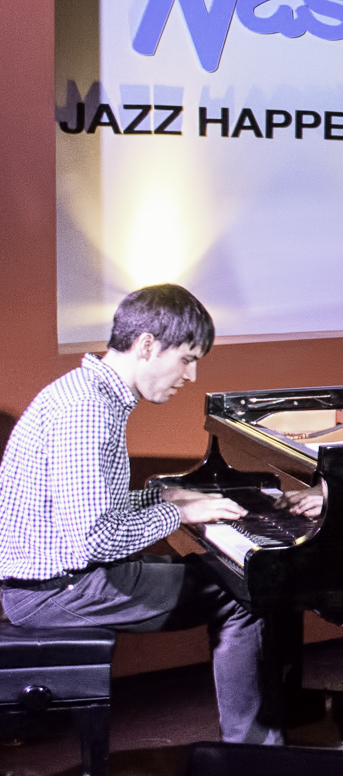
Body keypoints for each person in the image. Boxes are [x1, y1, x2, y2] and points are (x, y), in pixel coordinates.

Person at [0, 285, 310, 744]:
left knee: (224, 573)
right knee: (247, 592)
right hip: (54, 591)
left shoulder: (87, 393)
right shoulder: (86, 410)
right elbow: (95, 540)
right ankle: (252, 760)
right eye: (186, 358)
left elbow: (92, 512)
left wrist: (169, 499)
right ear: (147, 345)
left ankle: (274, 723)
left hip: (62, 577)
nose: (191, 374)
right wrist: (180, 514)